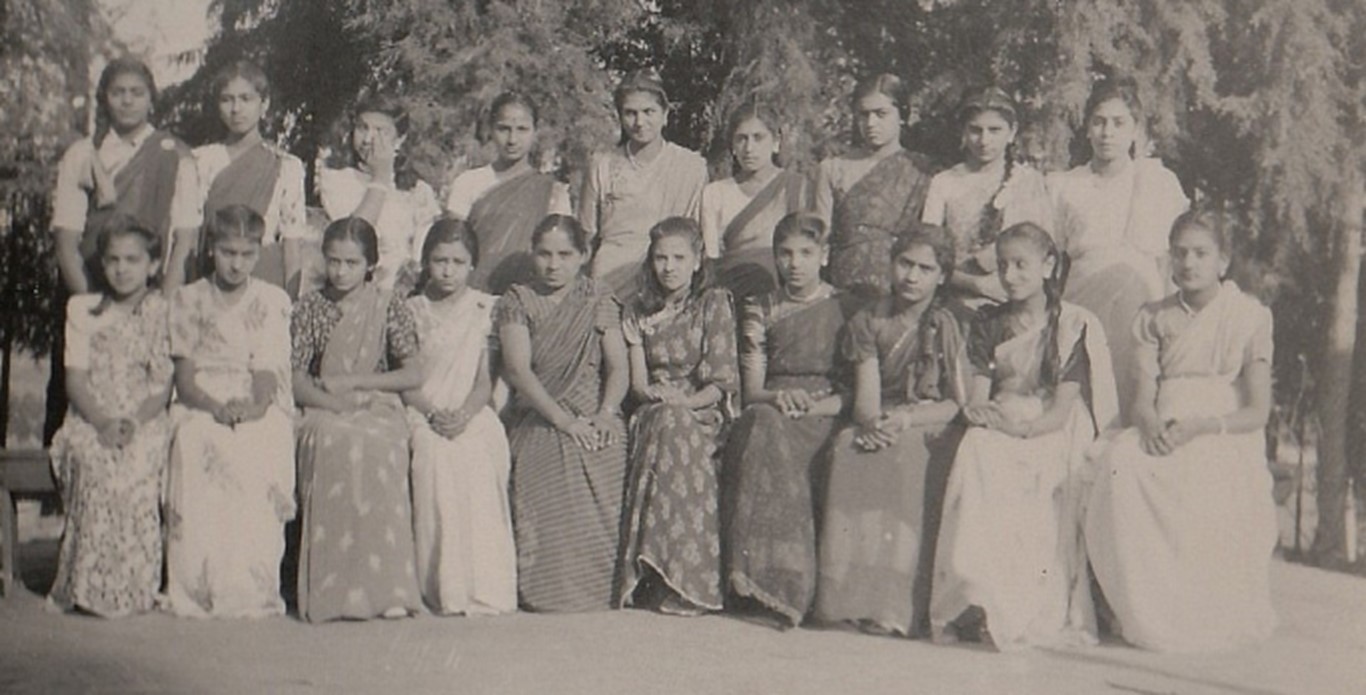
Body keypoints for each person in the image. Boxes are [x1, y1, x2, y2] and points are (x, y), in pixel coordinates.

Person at [1086, 210, 1277, 653]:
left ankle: (1200, 611)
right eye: (1180, 253)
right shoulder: (1153, 317)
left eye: (1201, 254)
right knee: (1122, 463)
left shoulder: (1249, 317)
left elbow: (1258, 411)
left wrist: (1203, 427)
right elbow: (1142, 394)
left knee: (1204, 471)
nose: (1189, 263)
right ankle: (1144, 607)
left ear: (1223, 262)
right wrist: (1150, 423)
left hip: (1221, 430)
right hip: (1164, 424)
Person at [930, 222, 1117, 651]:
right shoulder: (989, 320)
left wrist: (1023, 430)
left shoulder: (1070, 325)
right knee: (977, 450)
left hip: (1051, 426)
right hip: (1003, 414)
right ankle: (974, 596)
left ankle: (1021, 606)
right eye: (1002, 266)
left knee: (1032, 470)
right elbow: (980, 393)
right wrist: (983, 414)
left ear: (1048, 266)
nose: (1010, 276)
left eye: (1021, 265)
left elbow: (1060, 410)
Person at [814, 225, 969, 638]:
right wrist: (872, 422)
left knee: (907, 455)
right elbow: (867, 396)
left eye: (925, 268)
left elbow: (957, 402)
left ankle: (895, 606)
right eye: (905, 264)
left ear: (941, 275)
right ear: (891, 264)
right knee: (849, 447)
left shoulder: (948, 322)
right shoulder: (870, 319)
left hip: (931, 421)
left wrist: (906, 421)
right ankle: (846, 600)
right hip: (881, 416)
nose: (912, 277)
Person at [47, 57, 199, 443]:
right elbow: (66, 239)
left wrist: (158, 304)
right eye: (118, 93)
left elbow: (184, 237)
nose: (127, 101)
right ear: (105, 99)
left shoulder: (174, 154)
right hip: (92, 290)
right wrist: (93, 306)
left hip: (150, 297)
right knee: (74, 399)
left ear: (151, 99)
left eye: (137, 92)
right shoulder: (83, 154)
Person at [164, 204, 296, 618]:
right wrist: (215, 406)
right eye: (228, 253)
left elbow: (268, 368)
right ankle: (199, 586)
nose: (237, 264)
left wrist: (254, 407)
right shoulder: (188, 299)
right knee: (198, 439)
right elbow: (184, 380)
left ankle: (251, 586)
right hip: (201, 399)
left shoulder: (271, 300)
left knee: (262, 440)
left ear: (259, 253)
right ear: (212, 251)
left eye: (246, 254)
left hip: (253, 398)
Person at [722, 212, 852, 627]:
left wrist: (816, 406)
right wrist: (779, 397)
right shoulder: (759, 308)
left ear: (824, 255)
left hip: (826, 411)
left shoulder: (845, 307)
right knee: (762, 425)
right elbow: (752, 389)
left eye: (806, 253)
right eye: (785, 253)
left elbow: (854, 388)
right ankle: (763, 583)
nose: (795, 264)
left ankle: (797, 586)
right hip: (773, 407)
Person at [292, 217, 425, 622]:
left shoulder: (388, 304)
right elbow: (297, 379)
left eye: (351, 263)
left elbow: (413, 373)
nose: (340, 271)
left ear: (370, 264)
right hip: (323, 405)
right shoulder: (310, 307)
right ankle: (335, 591)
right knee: (335, 440)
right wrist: (335, 405)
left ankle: (388, 589)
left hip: (378, 404)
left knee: (380, 445)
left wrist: (359, 383)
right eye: (333, 261)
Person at [495, 214, 629, 612]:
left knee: (608, 450)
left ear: (584, 255)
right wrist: (563, 421)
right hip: (540, 413)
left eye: (565, 254)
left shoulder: (598, 298)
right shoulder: (517, 300)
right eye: (544, 254)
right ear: (532, 254)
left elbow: (618, 367)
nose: (553, 265)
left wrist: (606, 414)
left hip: (593, 409)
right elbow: (518, 370)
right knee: (548, 459)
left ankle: (600, 588)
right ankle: (549, 591)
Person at [47, 215, 174, 617]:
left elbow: (162, 385)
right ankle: (87, 586)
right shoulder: (83, 310)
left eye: (132, 260)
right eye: (113, 259)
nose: (122, 269)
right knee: (97, 462)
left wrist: (133, 422)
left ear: (152, 265)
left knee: (135, 465)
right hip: (91, 416)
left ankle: (132, 588)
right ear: (101, 265)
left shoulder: (161, 311)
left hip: (144, 417)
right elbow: (76, 382)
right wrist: (102, 422)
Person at [1048, 76, 1189, 426]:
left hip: (1142, 309)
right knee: (1083, 405)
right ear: (1087, 128)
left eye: (1118, 122)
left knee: (1136, 402)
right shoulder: (1065, 185)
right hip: (1083, 303)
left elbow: (1170, 262)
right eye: (1098, 122)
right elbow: (1050, 262)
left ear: (1135, 130)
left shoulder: (1159, 183)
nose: (1107, 132)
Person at [617, 217, 740, 616]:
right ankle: (653, 571)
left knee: (676, 426)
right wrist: (657, 396)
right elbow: (638, 384)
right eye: (660, 258)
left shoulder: (713, 302)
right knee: (664, 424)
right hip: (654, 410)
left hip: (702, 412)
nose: (668, 267)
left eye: (678, 257)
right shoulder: (637, 310)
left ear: (698, 259)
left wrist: (684, 404)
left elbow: (720, 383)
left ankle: (691, 582)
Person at [403, 220, 517, 616]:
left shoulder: (486, 308)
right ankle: (442, 586)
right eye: (439, 261)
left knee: (475, 454)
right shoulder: (411, 311)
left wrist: (466, 414)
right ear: (425, 262)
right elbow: (408, 381)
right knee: (434, 458)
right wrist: (433, 413)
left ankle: (483, 586)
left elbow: (486, 381)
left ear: (473, 265)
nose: (448, 270)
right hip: (423, 409)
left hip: (471, 409)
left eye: (458, 261)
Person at [921, 87, 1053, 320]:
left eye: (995, 130)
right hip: (956, 301)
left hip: (1016, 301)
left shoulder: (1029, 181)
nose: (984, 140)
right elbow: (927, 254)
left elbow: (1043, 250)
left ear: (1011, 133)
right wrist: (975, 284)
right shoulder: (944, 182)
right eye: (975, 130)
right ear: (963, 132)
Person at [579, 69, 707, 298]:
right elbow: (586, 237)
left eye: (649, 112)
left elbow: (697, 238)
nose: (640, 122)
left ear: (665, 114)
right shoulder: (602, 164)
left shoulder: (692, 167)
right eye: (630, 113)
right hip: (610, 282)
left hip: (667, 280)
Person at [814, 73, 933, 301]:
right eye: (863, 114)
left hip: (900, 286)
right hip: (842, 284)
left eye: (881, 114)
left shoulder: (922, 170)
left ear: (902, 115)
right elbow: (820, 237)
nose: (870, 124)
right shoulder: (833, 168)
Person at [191, 60, 308, 290]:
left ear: (264, 105)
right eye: (227, 99)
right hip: (212, 277)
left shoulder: (285, 165)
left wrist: (289, 305)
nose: (236, 109)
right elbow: (192, 238)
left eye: (246, 99)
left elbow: (291, 246)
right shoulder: (201, 161)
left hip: (264, 280)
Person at [443, 91, 571, 295]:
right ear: (491, 130)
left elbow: (558, 251)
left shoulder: (552, 191)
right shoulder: (468, 182)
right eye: (504, 129)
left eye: (522, 129)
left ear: (535, 132)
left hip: (527, 296)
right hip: (471, 297)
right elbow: (450, 245)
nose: (512, 139)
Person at [318, 94, 440, 295]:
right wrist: (380, 177)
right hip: (348, 291)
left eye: (380, 131)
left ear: (400, 139)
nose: (367, 139)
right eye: (362, 127)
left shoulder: (418, 191)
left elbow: (421, 256)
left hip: (401, 294)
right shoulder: (338, 179)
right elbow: (352, 236)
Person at [700, 102, 808, 300]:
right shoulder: (715, 193)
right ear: (732, 145)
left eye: (758, 138)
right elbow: (712, 259)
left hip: (783, 290)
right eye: (741, 139)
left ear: (776, 142)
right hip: (732, 291)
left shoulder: (796, 187)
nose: (749, 148)